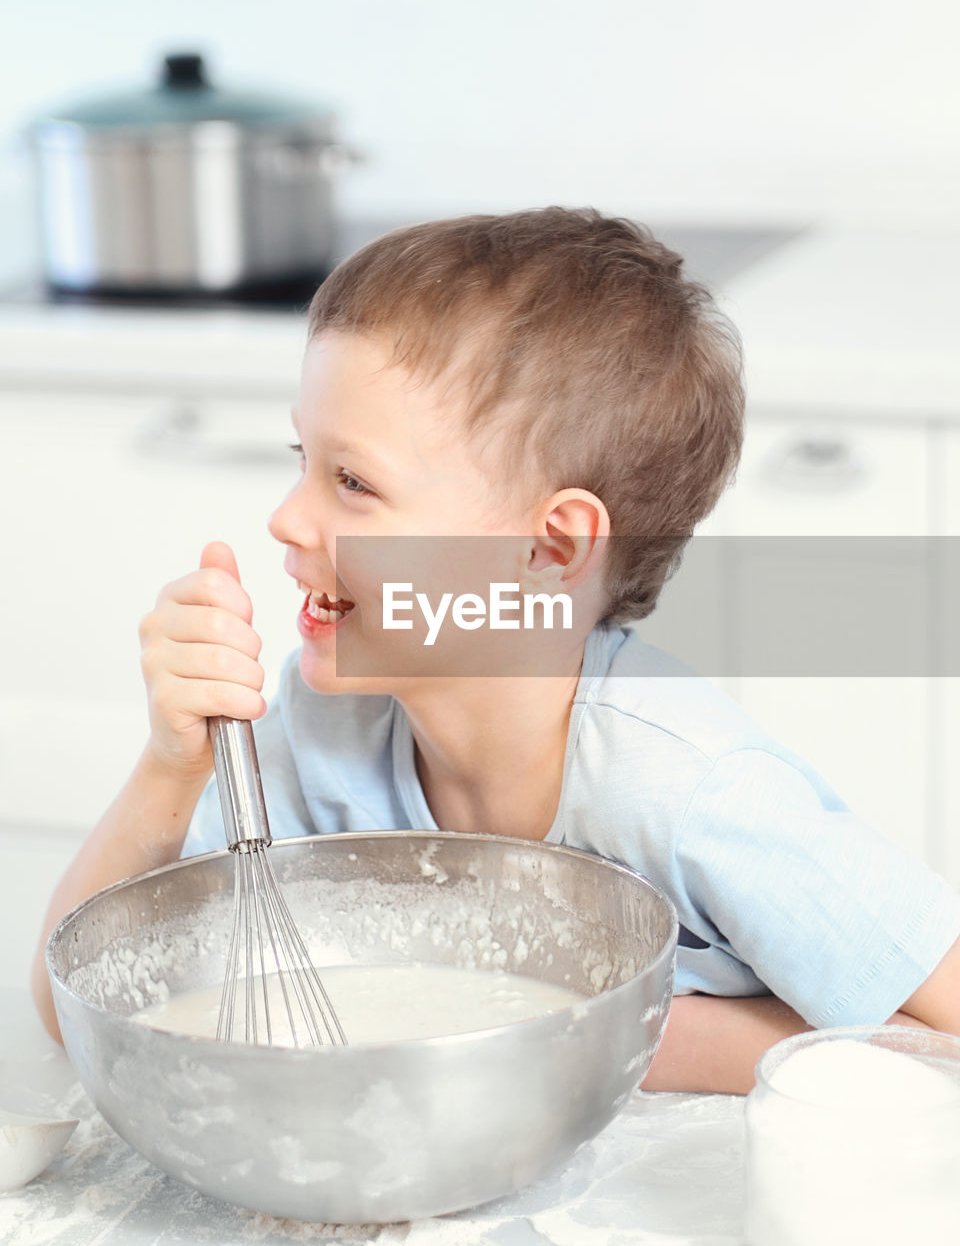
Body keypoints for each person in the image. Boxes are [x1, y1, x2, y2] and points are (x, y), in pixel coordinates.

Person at [31, 208, 960, 1092]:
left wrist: (631, 1034)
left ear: (551, 549)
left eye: (353, 481)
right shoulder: (323, 729)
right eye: (299, 458)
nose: (283, 517)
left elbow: (939, 1038)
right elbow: (73, 1011)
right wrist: (170, 766)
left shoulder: (689, 793)